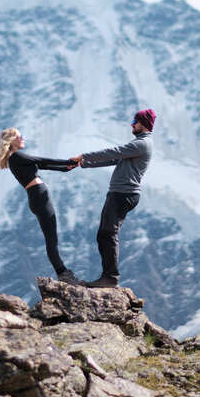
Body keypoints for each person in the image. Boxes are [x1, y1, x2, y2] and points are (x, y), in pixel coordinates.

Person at [71, 109, 156, 288]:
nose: (132, 124)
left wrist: (84, 156)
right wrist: (84, 164)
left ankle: (110, 277)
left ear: (143, 123)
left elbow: (114, 152)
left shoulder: (143, 144)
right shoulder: (138, 144)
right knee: (105, 234)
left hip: (123, 194)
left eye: (135, 121)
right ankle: (108, 276)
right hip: (120, 193)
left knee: (108, 234)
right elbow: (115, 160)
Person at [0, 128, 84, 285]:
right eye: (19, 136)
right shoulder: (16, 155)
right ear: (12, 140)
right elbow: (42, 160)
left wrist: (67, 167)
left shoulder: (16, 159)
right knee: (51, 239)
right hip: (39, 197)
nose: (23, 138)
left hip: (37, 197)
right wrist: (68, 161)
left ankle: (63, 272)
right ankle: (63, 273)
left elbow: (43, 165)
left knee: (51, 238)